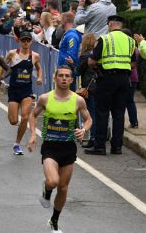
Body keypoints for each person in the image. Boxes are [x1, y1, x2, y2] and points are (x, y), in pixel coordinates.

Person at [28, 66, 92, 233]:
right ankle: (46, 190)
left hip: (68, 148)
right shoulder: (45, 98)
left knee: (63, 188)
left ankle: (54, 221)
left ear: (71, 80)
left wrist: (83, 130)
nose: (64, 78)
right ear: (55, 78)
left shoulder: (78, 100)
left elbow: (88, 119)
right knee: (53, 181)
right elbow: (33, 115)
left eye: (67, 76)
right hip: (50, 147)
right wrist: (33, 135)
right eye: (61, 76)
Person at [85, 15, 135, 155]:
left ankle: (100, 146)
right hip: (124, 79)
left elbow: (91, 61)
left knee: (102, 112)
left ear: (111, 24)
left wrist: (99, 65)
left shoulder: (104, 39)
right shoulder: (131, 41)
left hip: (107, 78)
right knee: (119, 113)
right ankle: (116, 147)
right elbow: (133, 63)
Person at [5, 31, 43, 155]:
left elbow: (39, 67)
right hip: (14, 90)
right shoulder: (12, 53)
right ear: (19, 41)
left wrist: (39, 77)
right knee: (13, 121)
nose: (26, 43)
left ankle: (17, 144)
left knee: (25, 117)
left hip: (27, 90)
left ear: (31, 42)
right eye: (23, 40)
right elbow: (4, 65)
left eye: (28, 40)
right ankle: (18, 130)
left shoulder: (35, 55)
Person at [57, 13, 82, 87]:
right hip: (65, 68)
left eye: (61, 20)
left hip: (67, 70)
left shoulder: (71, 35)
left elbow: (72, 54)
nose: (60, 22)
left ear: (64, 21)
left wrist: (66, 67)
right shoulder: (68, 34)